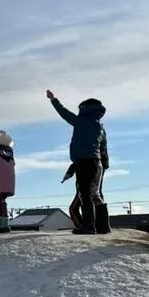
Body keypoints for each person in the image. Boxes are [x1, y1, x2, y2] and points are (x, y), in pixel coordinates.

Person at [47, 90, 108, 234]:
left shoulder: (80, 121)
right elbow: (103, 148)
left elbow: (64, 113)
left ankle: (88, 227)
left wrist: (53, 99)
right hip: (97, 163)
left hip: (83, 163)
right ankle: (104, 226)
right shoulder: (100, 127)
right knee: (96, 194)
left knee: (84, 194)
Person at [63, 132, 111, 234]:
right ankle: (101, 226)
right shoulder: (95, 131)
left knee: (83, 199)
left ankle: (88, 227)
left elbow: (83, 154)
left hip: (89, 164)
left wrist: (72, 169)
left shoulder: (88, 133)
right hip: (94, 163)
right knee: (95, 194)